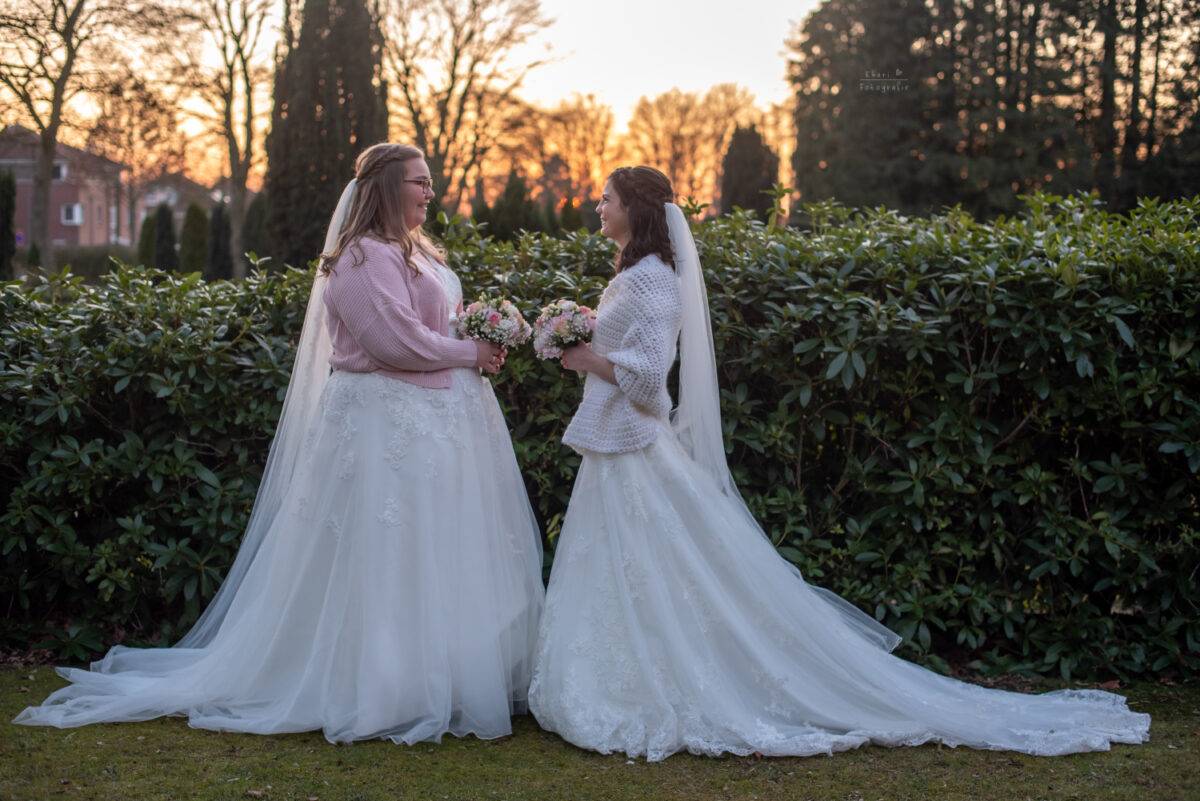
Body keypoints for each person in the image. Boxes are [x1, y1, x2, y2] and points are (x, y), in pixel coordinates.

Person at [527, 165, 1150, 762]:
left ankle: (649, 686)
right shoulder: (638, 275)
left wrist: (584, 357)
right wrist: (581, 336)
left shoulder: (655, 280)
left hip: (636, 446)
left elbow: (647, 378)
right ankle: (617, 676)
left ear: (633, 208)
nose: (598, 207)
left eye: (606, 198)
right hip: (614, 446)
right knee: (630, 567)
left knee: (661, 568)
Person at [15, 143, 545, 744]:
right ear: (385, 189)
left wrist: (479, 332)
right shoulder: (359, 257)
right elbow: (392, 341)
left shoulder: (415, 250)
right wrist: (469, 351)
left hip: (430, 424)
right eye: (418, 183)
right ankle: (380, 683)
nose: (430, 192)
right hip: (379, 425)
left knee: (429, 549)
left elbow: (427, 326)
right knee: (382, 553)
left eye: (430, 182)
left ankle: (437, 675)